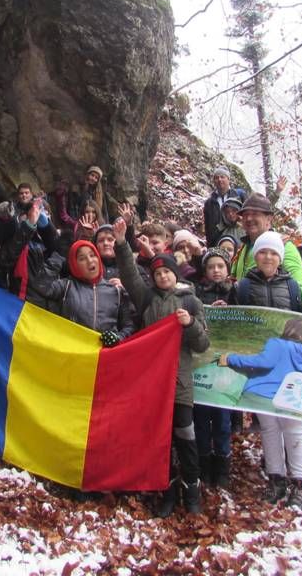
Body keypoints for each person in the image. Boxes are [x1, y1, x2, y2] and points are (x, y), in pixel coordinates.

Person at [112, 219, 209, 517]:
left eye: (167, 271)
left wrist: (189, 325)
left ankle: (192, 491)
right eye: (157, 273)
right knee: (161, 440)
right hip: (152, 384)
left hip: (180, 384)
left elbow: (203, 344)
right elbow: (130, 274)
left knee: (186, 438)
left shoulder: (190, 301)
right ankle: (166, 490)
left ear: (175, 274)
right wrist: (121, 243)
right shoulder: (147, 298)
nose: (162, 276)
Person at [217, 310, 302, 511]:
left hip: (265, 396)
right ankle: (300, 485)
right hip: (293, 398)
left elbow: (263, 362)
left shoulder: (277, 344)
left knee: (270, 433)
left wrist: (232, 358)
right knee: (296, 434)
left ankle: (276, 481)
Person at [230, 194, 302, 323]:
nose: (249, 218)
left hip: (277, 322)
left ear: (269, 219)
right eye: (245, 214)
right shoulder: (243, 249)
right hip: (248, 322)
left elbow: (297, 275)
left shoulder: (283, 245)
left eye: (255, 214)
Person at [193, 247, 234, 489]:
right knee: (200, 417)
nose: (216, 271)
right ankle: (204, 463)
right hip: (201, 363)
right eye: (211, 267)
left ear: (227, 269)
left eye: (220, 266)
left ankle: (223, 464)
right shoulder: (196, 293)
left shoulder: (236, 293)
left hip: (226, 366)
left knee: (222, 418)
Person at [203, 167, 246, 247]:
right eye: (216, 178)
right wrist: (210, 245)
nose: (219, 180)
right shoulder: (209, 203)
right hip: (217, 240)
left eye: (222, 177)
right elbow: (208, 227)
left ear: (228, 179)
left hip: (239, 237)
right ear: (214, 181)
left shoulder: (239, 195)